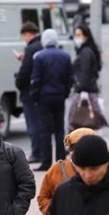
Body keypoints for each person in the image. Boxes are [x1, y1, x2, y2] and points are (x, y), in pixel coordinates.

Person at [30, 28, 74, 171]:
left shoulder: (39, 56)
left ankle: (46, 161)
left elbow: (36, 79)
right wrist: (65, 93)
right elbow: (69, 79)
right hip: (59, 96)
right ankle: (60, 160)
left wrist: (35, 96)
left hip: (44, 98)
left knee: (45, 130)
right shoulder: (65, 56)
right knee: (59, 129)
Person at [37, 127, 97, 215]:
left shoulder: (103, 168)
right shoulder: (57, 169)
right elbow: (43, 198)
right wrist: (59, 211)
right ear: (71, 151)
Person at [67, 24, 108, 131]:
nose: (77, 37)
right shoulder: (89, 51)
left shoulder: (85, 53)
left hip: (84, 92)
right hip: (91, 91)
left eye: (79, 35)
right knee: (88, 123)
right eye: (76, 35)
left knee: (76, 122)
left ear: (86, 36)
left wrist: (81, 89)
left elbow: (85, 73)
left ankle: (75, 145)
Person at [14, 21, 44, 163]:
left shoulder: (31, 48)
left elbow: (25, 71)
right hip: (41, 91)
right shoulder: (42, 45)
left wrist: (18, 82)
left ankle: (36, 152)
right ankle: (43, 151)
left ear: (27, 34)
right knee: (42, 123)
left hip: (30, 92)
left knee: (33, 124)